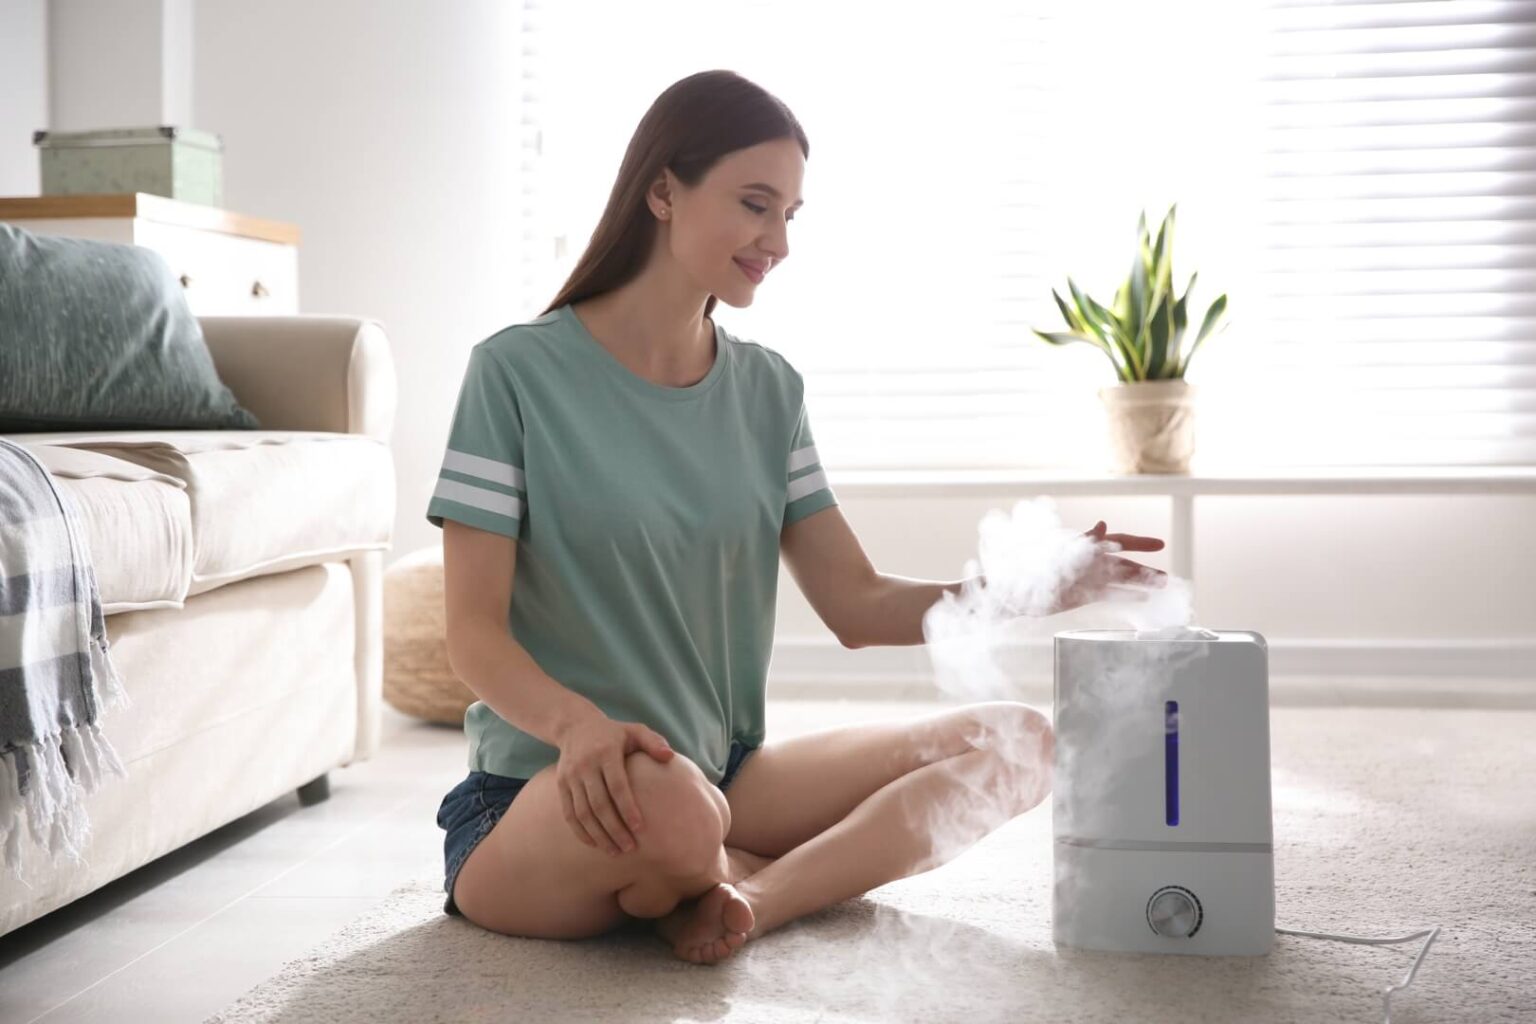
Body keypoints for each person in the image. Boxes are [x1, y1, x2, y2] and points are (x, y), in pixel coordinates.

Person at [428, 69, 1167, 966]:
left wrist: (1031, 586)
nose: (777, 240)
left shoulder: (769, 391)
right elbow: (471, 633)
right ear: (662, 189)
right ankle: (704, 861)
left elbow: (856, 604)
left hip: (722, 778)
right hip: (542, 794)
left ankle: (752, 896)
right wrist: (580, 727)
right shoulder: (514, 375)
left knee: (1019, 743)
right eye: (754, 204)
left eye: (790, 214)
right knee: (675, 809)